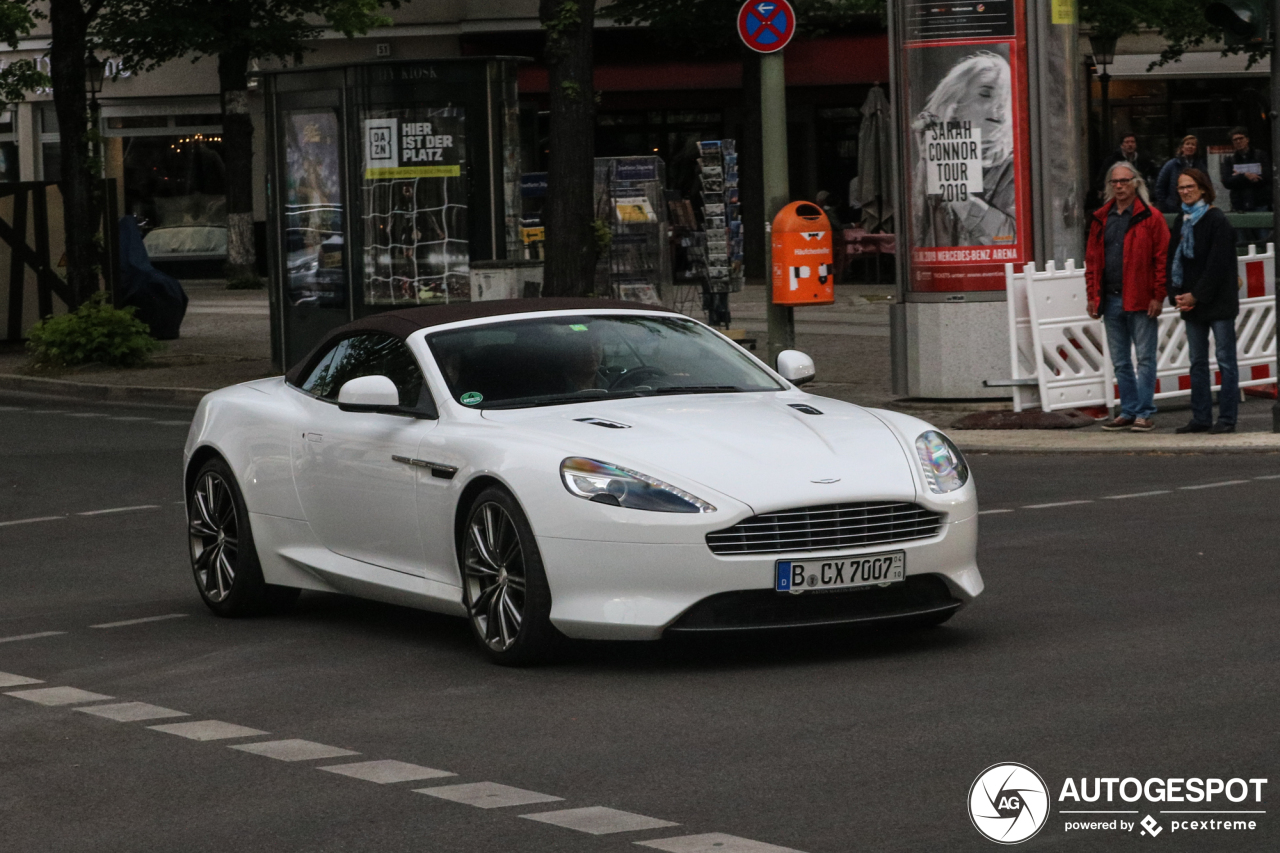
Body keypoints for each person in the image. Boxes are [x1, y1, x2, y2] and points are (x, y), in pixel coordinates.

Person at [1085, 162, 1169, 432]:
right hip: (1110, 298)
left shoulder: (1151, 217)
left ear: (1136, 183)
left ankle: (1144, 412)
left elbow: (1161, 259)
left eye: (1124, 181)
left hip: (1141, 298)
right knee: (1120, 360)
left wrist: (1158, 295)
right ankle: (1130, 410)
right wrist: (1092, 296)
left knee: (1145, 358)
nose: (1119, 186)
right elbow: (1092, 261)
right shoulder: (1101, 218)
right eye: (1114, 182)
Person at [911, 50, 1016, 247]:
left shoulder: (1012, 165)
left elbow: (1011, 239)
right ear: (955, 104)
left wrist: (960, 196)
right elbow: (918, 234)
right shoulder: (929, 160)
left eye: (1005, 99)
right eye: (985, 94)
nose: (999, 107)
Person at [1166, 168, 1240, 434]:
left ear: (1203, 188)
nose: (1185, 191)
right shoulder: (1181, 220)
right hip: (1191, 301)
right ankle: (1200, 417)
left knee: (1225, 360)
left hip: (1217, 301)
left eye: (1189, 186)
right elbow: (1173, 258)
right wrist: (1174, 293)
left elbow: (1217, 265)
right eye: (1181, 187)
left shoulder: (1216, 219)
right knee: (1197, 361)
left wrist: (1196, 295)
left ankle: (1227, 418)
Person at [1219, 126, 1272, 245]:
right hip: (1240, 204)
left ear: (1247, 139)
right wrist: (1246, 176)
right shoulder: (1230, 160)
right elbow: (1227, 181)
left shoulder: (1260, 155)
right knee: (1241, 241)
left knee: (1263, 238)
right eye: (1235, 140)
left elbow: (1268, 176)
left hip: (1259, 202)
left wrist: (1238, 177)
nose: (1238, 142)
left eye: (1241, 138)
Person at [1154, 135, 1208, 213]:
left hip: (1197, 209)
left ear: (1196, 149)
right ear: (1182, 147)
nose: (1190, 146)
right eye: (1187, 144)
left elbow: (1206, 185)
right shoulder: (1171, 164)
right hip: (1174, 209)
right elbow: (1160, 187)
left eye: (1193, 144)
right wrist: (1166, 206)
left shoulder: (1200, 166)